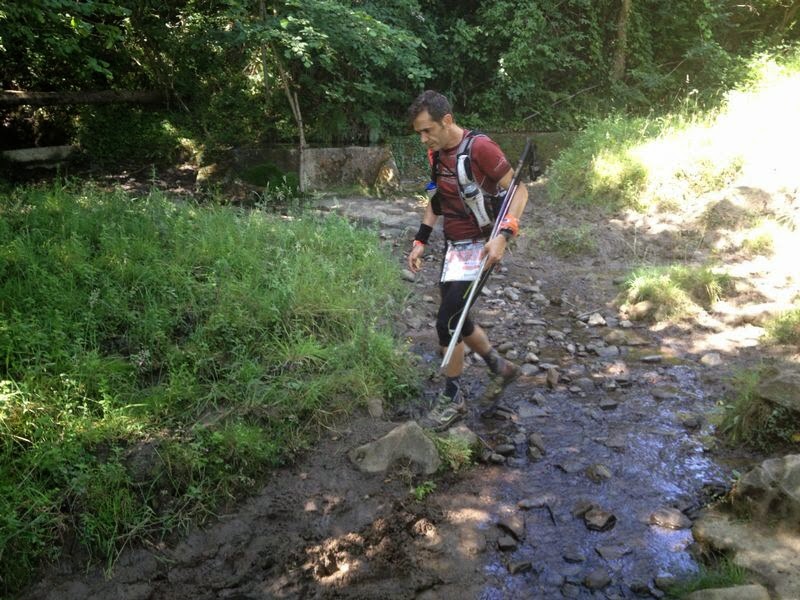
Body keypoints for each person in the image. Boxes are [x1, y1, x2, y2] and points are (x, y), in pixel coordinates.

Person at [406, 90, 530, 431]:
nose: (423, 139)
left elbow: (519, 191)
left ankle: (453, 398)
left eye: (427, 130)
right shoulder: (436, 154)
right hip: (454, 248)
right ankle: (500, 368)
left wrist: (504, 235)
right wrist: (420, 240)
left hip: (482, 246)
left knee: (447, 320)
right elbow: (435, 201)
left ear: (447, 120)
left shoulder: (480, 148)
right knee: (458, 317)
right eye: (419, 132)